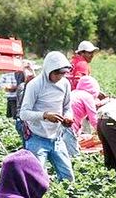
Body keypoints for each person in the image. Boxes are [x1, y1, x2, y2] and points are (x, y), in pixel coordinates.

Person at [19, 51, 75, 181]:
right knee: (36, 179)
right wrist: (44, 115)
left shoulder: (65, 84)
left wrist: (68, 117)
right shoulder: (35, 85)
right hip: (36, 138)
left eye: (62, 73)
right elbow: (23, 114)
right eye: (56, 73)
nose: (59, 77)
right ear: (48, 70)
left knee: (68, 177)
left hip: (57, 138)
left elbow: (67, 107)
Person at [62, 76, 101, 158]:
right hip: (68, 124)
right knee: (73, 155)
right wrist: (102, 133)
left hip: (59, 121)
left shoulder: (74, 93)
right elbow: (94, 120)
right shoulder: (88, 97)